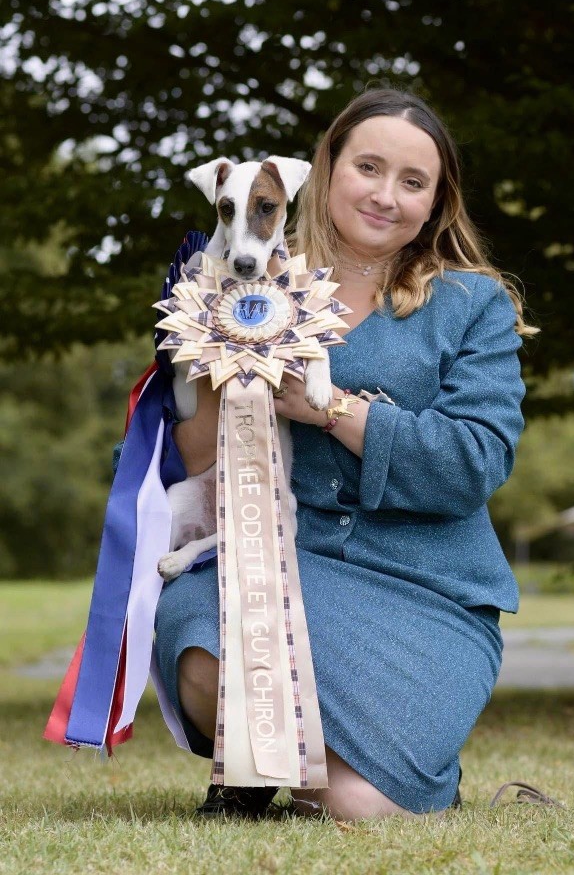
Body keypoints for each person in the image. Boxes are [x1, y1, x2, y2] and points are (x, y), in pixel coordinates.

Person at [154, 87, 537, 821]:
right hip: (275, 564)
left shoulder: (473, 304)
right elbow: (173, 463)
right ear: (326, 168)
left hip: (428, 586)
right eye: (368, 167)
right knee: (203, 647)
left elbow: (473, 461)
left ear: (437, 201)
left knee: (359, 806)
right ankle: (266, 760)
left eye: (413, 181)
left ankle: (316, 762)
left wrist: (330, 409)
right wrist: (213, 374)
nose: (386, 195)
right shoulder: (237, 283)